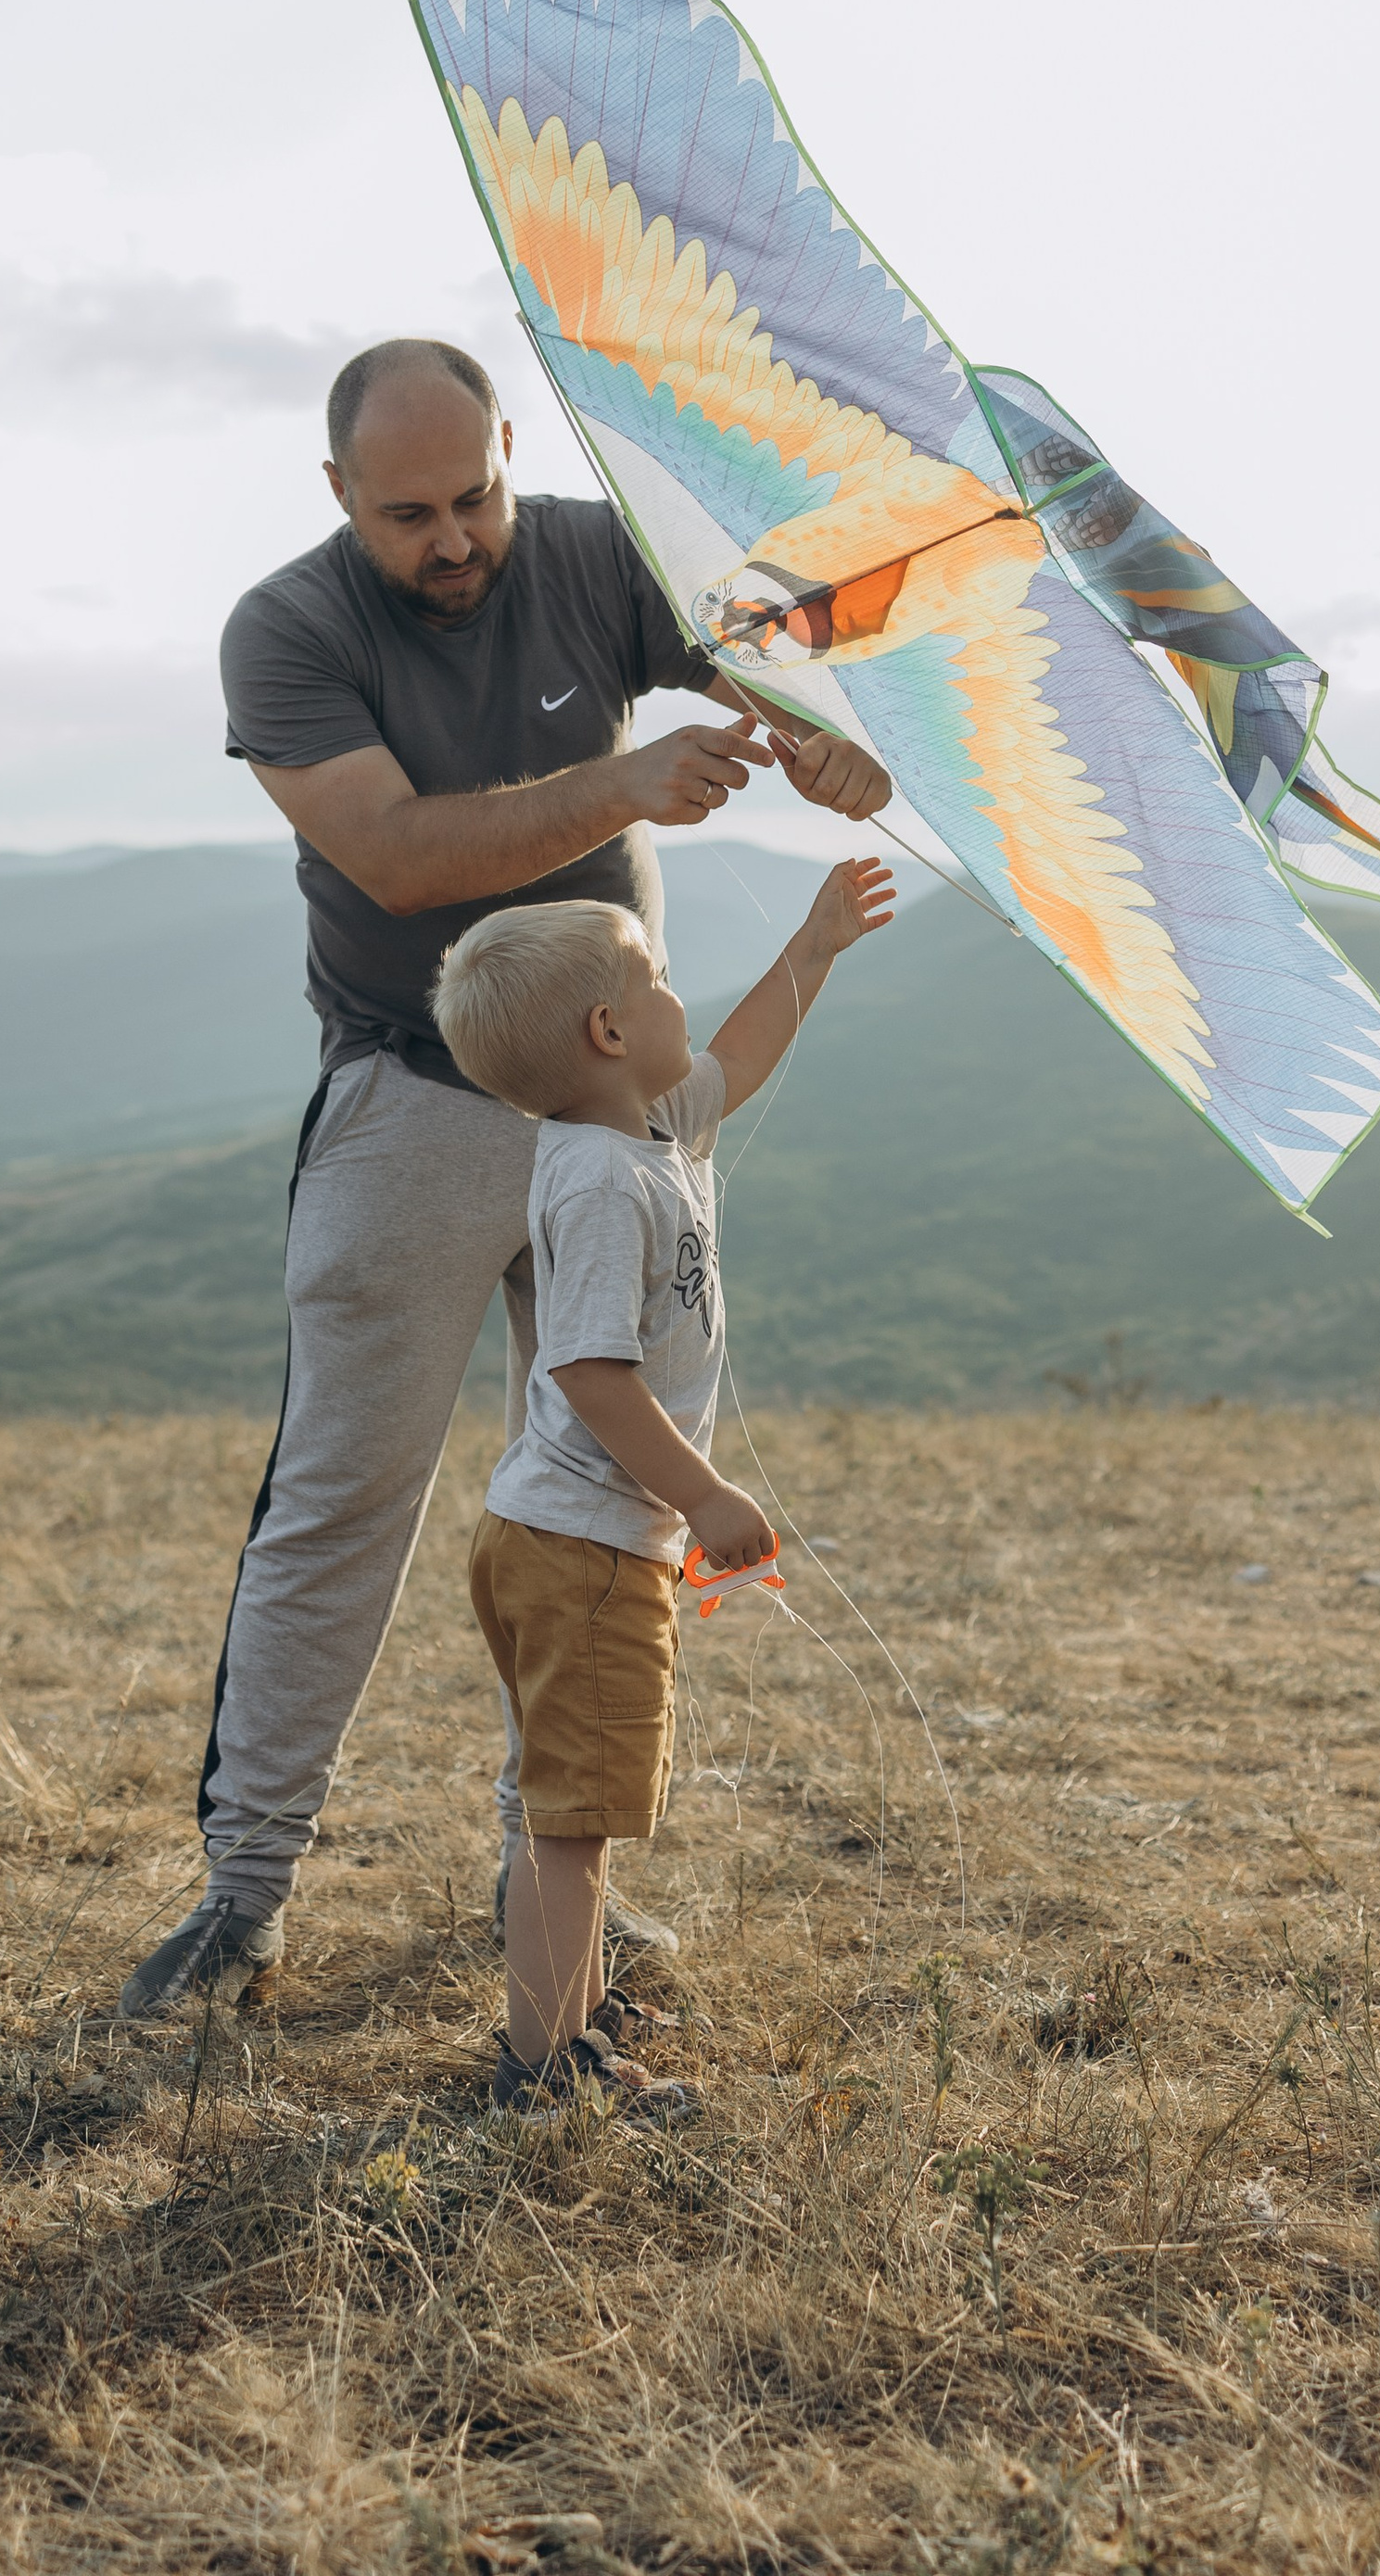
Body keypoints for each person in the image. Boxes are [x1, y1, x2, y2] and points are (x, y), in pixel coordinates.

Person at [118, 336, 891, 2018]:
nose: (458, 538)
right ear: (340, 498)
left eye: (476, 495)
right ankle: (242, 1896)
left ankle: (549, 1882)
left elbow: (774, 646)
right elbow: (394, 858)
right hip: (407, 1098)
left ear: (509, 455)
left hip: (612, 1102)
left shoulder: (595, 552)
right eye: (412, 514)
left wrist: (825, 737)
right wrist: (619, 783)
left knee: (602, 1505)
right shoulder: (290, 629)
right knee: (340, 1503)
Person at [433, 863, 893, 2112]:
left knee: (567, 1805)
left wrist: (816, 948)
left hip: (564, 1538)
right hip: (581, 1547)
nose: (684, 1000)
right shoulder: (596, 1181)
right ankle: (547, 2069)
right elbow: (587, 1368)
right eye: (661, 982)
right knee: (569, 1825)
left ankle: (571, 2012)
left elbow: (736, 1058)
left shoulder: (645, 1124)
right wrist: (704, 1498)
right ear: (610, 1032)